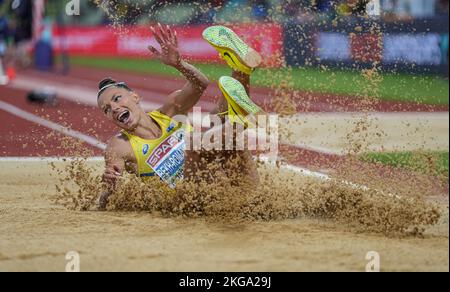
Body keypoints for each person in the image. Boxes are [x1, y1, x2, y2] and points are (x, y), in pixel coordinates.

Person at [97, 24, 264, 209]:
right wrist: (109, 188)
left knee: (216, 119)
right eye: (106, 109)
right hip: (194, 203)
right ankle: (238, 118)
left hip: (236, 187)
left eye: (117, 98)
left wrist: (179, 64)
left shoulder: (170, 110)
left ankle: (242, 69)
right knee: (201, 137)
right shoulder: (119, 145)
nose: (113, 108)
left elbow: (200, 84)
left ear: (134, 97)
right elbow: (106, 201)